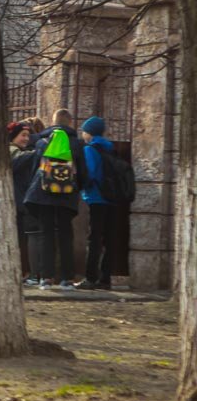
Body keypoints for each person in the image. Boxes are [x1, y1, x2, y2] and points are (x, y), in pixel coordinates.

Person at [23, 108, 90, 290]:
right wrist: (77, 189)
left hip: (43, 193)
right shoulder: (77, 144)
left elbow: (34, 169)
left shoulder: (41, 142)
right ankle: (67, 279)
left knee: (46, 233)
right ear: (70, 123)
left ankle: (46, 278)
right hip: (66, 194)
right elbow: (83, 172)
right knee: (66, 234)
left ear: (53, 122)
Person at [78, 116, 116, 290]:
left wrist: (82, 187)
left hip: (96, 197)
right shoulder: (110, 147)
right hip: (112, 197)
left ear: (90, 133)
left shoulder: (90, 149)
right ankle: (105, 279)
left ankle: (90, 278)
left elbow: (91, 173)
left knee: (94, 239)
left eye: (84, 131)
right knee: (109, 239)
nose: (83, 134)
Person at [8, 122, 41, 285]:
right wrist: (35, 152)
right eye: (23, 135)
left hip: (20, 201)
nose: (26, 139)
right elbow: (15, 163)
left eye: (28, 135)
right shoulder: (12, 150)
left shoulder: (21, 151)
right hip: (16, 202)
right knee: (19, 239)